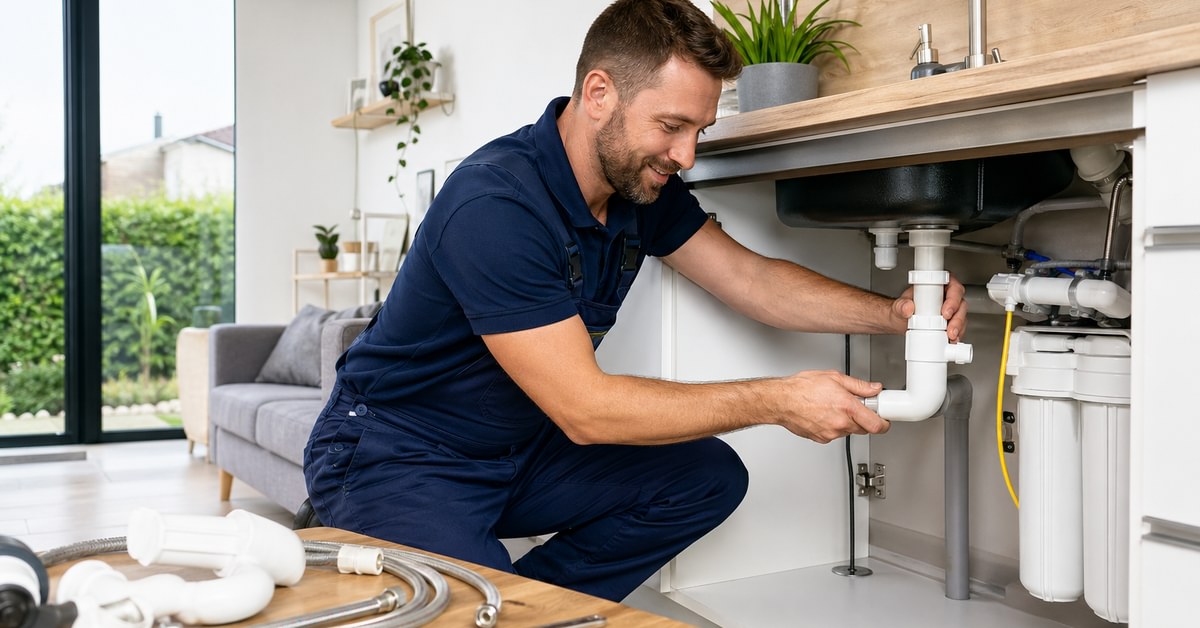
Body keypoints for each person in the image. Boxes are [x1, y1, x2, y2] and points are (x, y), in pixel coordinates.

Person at [304, 0, 967, 603]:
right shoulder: (494, 204)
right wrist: (779, 399)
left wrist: (894, 314)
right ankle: (488, 607)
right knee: (458, 610)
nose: (687, 154)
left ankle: (529, 611)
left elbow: (749, 279)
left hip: (520, 449)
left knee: (705, 478)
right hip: (397, 454)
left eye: (699, 129)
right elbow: (586, 410)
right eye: (672, 126)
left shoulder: (637, 186)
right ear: (598, 93)